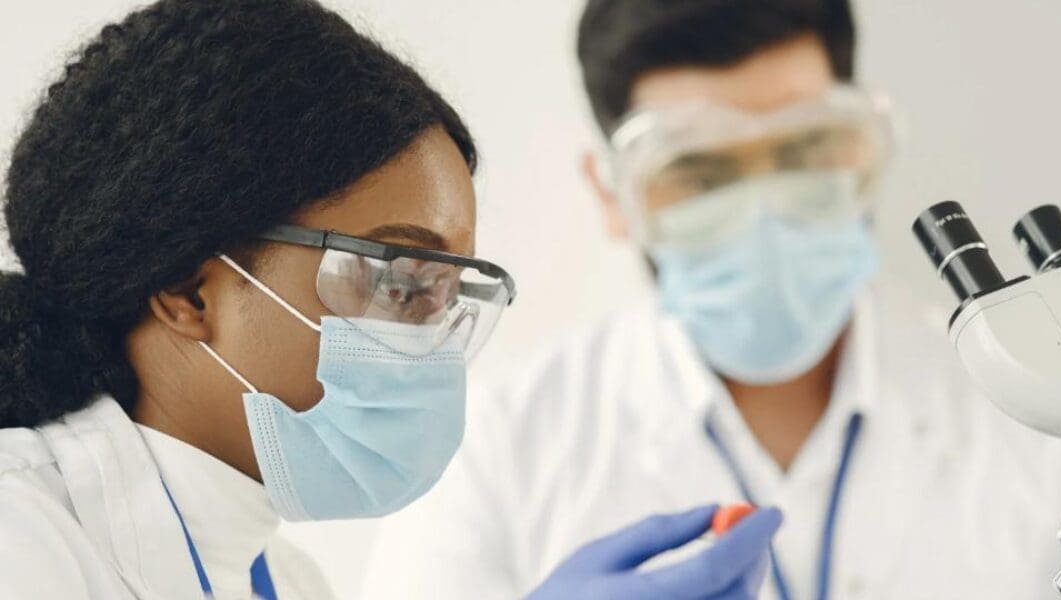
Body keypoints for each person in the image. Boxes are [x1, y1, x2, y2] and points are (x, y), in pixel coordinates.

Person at [365, 1, 1061, 598]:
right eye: (699, 172)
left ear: (862, 147)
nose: (766, 214)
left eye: (806, 151)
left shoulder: (1047, 422)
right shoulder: (492, 455)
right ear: (613, 194)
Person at [0, 1, 785, 598]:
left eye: (449, 291)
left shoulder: (288, 579)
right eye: (398, 280)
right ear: (186, 292)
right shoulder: (22, 536)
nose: (431, 337)